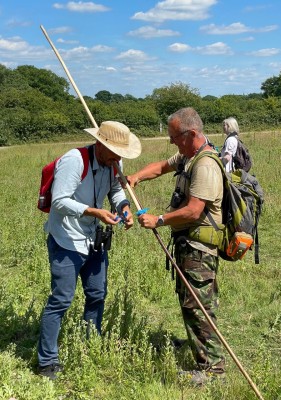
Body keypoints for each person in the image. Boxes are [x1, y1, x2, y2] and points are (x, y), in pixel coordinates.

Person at [126, 107, 225, 385]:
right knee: (189, 301)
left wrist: (158, 219)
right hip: (186, 244)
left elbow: (194, 211)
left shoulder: (205, 165)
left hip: (199, 248)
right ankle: (198, 346)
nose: (171, 141)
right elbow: (161, 166)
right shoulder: (188, 155)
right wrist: (136, 177)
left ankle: (213, 370)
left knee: (199, 305)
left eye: (174, 136)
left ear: (191, 133)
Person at [38, 121, 141, 380]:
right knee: (61, 299)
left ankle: (90, 342)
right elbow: (60, 201)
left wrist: (124, 209)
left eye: (121, 155)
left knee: (97, 293)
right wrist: (94, 211)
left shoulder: (113, 162)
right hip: (66, 238)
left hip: (93, 238)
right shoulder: (75, 160)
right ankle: (47, 361)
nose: (118, 159)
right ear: (100, 144)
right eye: (114, 153)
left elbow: (116, 191)